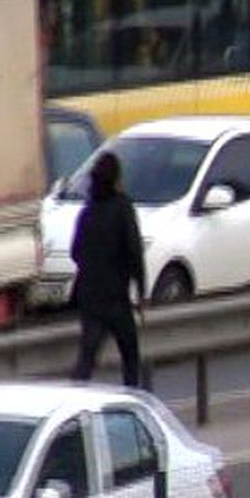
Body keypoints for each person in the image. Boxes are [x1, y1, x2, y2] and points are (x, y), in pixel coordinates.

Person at [71, 152, 146, 387]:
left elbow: (76, 251)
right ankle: (132, 403)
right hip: (116, 298)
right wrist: (140, 289)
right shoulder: (123, 208)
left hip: (90, 297)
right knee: (130, 356)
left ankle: (74, 401)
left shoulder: (87, 211)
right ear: (116, 178)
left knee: (87, 358)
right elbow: (134, 250)